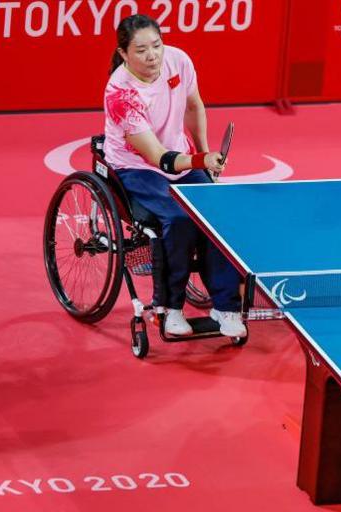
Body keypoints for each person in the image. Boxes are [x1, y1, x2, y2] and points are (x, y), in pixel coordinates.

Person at [103, 14, 245, 337]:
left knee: (216, 212)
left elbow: (194, 107)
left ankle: (226, 307)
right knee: (179, 219)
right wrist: (200, 159)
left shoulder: (178, 61)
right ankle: (171, 309)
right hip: (137, 168)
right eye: (141, 50)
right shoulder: (120, 94)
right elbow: (158, 158)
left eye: (157, 45)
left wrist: (205, 159)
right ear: (124, 53)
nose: (152, 56)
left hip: (180, 155)